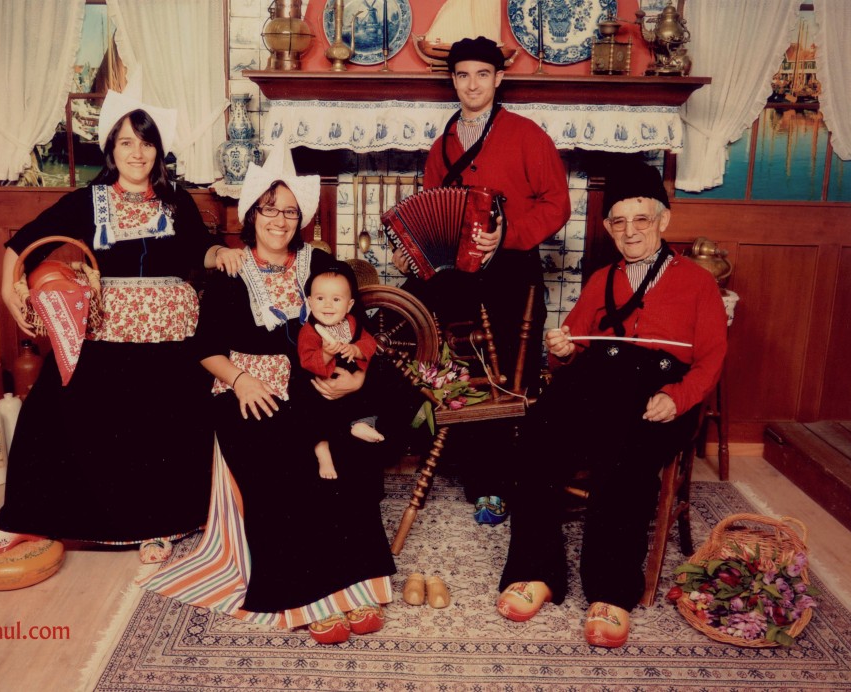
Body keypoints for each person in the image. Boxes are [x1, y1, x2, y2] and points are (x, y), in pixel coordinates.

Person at [0, 72, 244, 564]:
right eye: (125, 143)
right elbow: (21, 243)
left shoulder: (176, 202)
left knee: (165, 427)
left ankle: (161, 525)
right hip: (105, 331)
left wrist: (218, 256)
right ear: (110, 149)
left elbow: (198, 252)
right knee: (47, 414)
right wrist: (9, 292)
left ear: (158, 152)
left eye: (145, 144)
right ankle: (19, 521)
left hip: (169, 336)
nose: (136, 153)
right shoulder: (86, 202)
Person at [140, 142, 396, 645]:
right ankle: (307, 596)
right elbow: (205, 348)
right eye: (270, 209)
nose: (279, 219)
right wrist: (241, 380)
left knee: (349, 453)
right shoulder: (233, 269)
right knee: (286, 459)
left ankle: (355, 585)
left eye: (290, 211)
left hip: (309, 382)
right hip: (245, 386)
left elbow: (354, 325)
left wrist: (357, 377)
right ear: (253, 211)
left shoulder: (318, 261)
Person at [494, 159, 728, 648]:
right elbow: (576, 346)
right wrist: (562, 351)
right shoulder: (601, 278)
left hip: (659, 391)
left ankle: (611, 592)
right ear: (607, 227)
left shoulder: (698, 282)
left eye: (641, 219)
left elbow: (709, 362)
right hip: (597, 380)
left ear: (663, 220)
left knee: (623, 460)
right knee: (535, 434)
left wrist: (676, 397)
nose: (630, 231)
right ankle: (537, 572)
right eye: (618, 222)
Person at [391, 36, 571, 524]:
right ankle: (407, 435)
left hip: (511, 266)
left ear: (498, 79)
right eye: (463, 75)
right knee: (404, 322)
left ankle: (493, 482)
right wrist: (411, 253)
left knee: (501, 371)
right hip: (455, 272)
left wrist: (506, 235)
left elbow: (558, 204)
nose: (472, 84)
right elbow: (428, 214)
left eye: (482, 75)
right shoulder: (442, 143)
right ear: (453, 81)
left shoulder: (526, 134)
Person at [298, 261, 384, 479]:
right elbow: (306, 360)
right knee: (312, 414)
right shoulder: (309, 331)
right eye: (320, 299)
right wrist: (326, 353)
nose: (327, 305)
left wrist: (355, 350)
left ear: (349, 304)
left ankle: (361, 425)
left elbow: (370, 344)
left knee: (370, 397)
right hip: (320, 386)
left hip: (350, 383)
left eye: (336, 300)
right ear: (309, 301)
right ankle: (322, 451)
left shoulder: (353, 323)